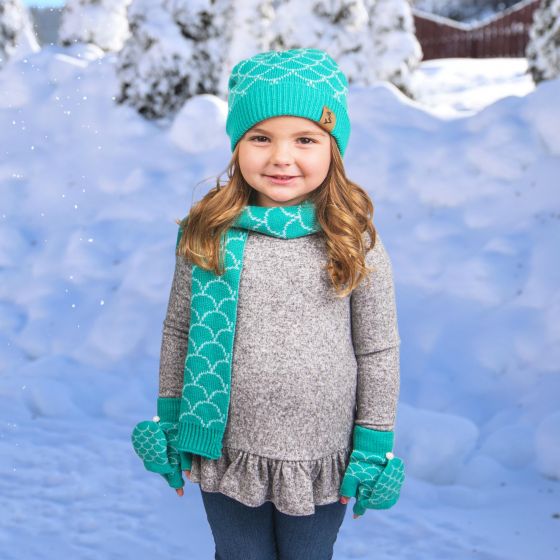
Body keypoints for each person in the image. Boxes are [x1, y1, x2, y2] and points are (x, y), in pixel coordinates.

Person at [131, 47, 405, 560]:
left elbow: (378, 350)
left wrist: (372, 446)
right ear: (237, 146)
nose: (282, 157)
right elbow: (180, 330)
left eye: (305, 139)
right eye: (261, 138)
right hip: (225, 447)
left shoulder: (352, 238)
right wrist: (170, 421)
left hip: (321, 456)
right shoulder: (209, 233)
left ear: (333, 148)